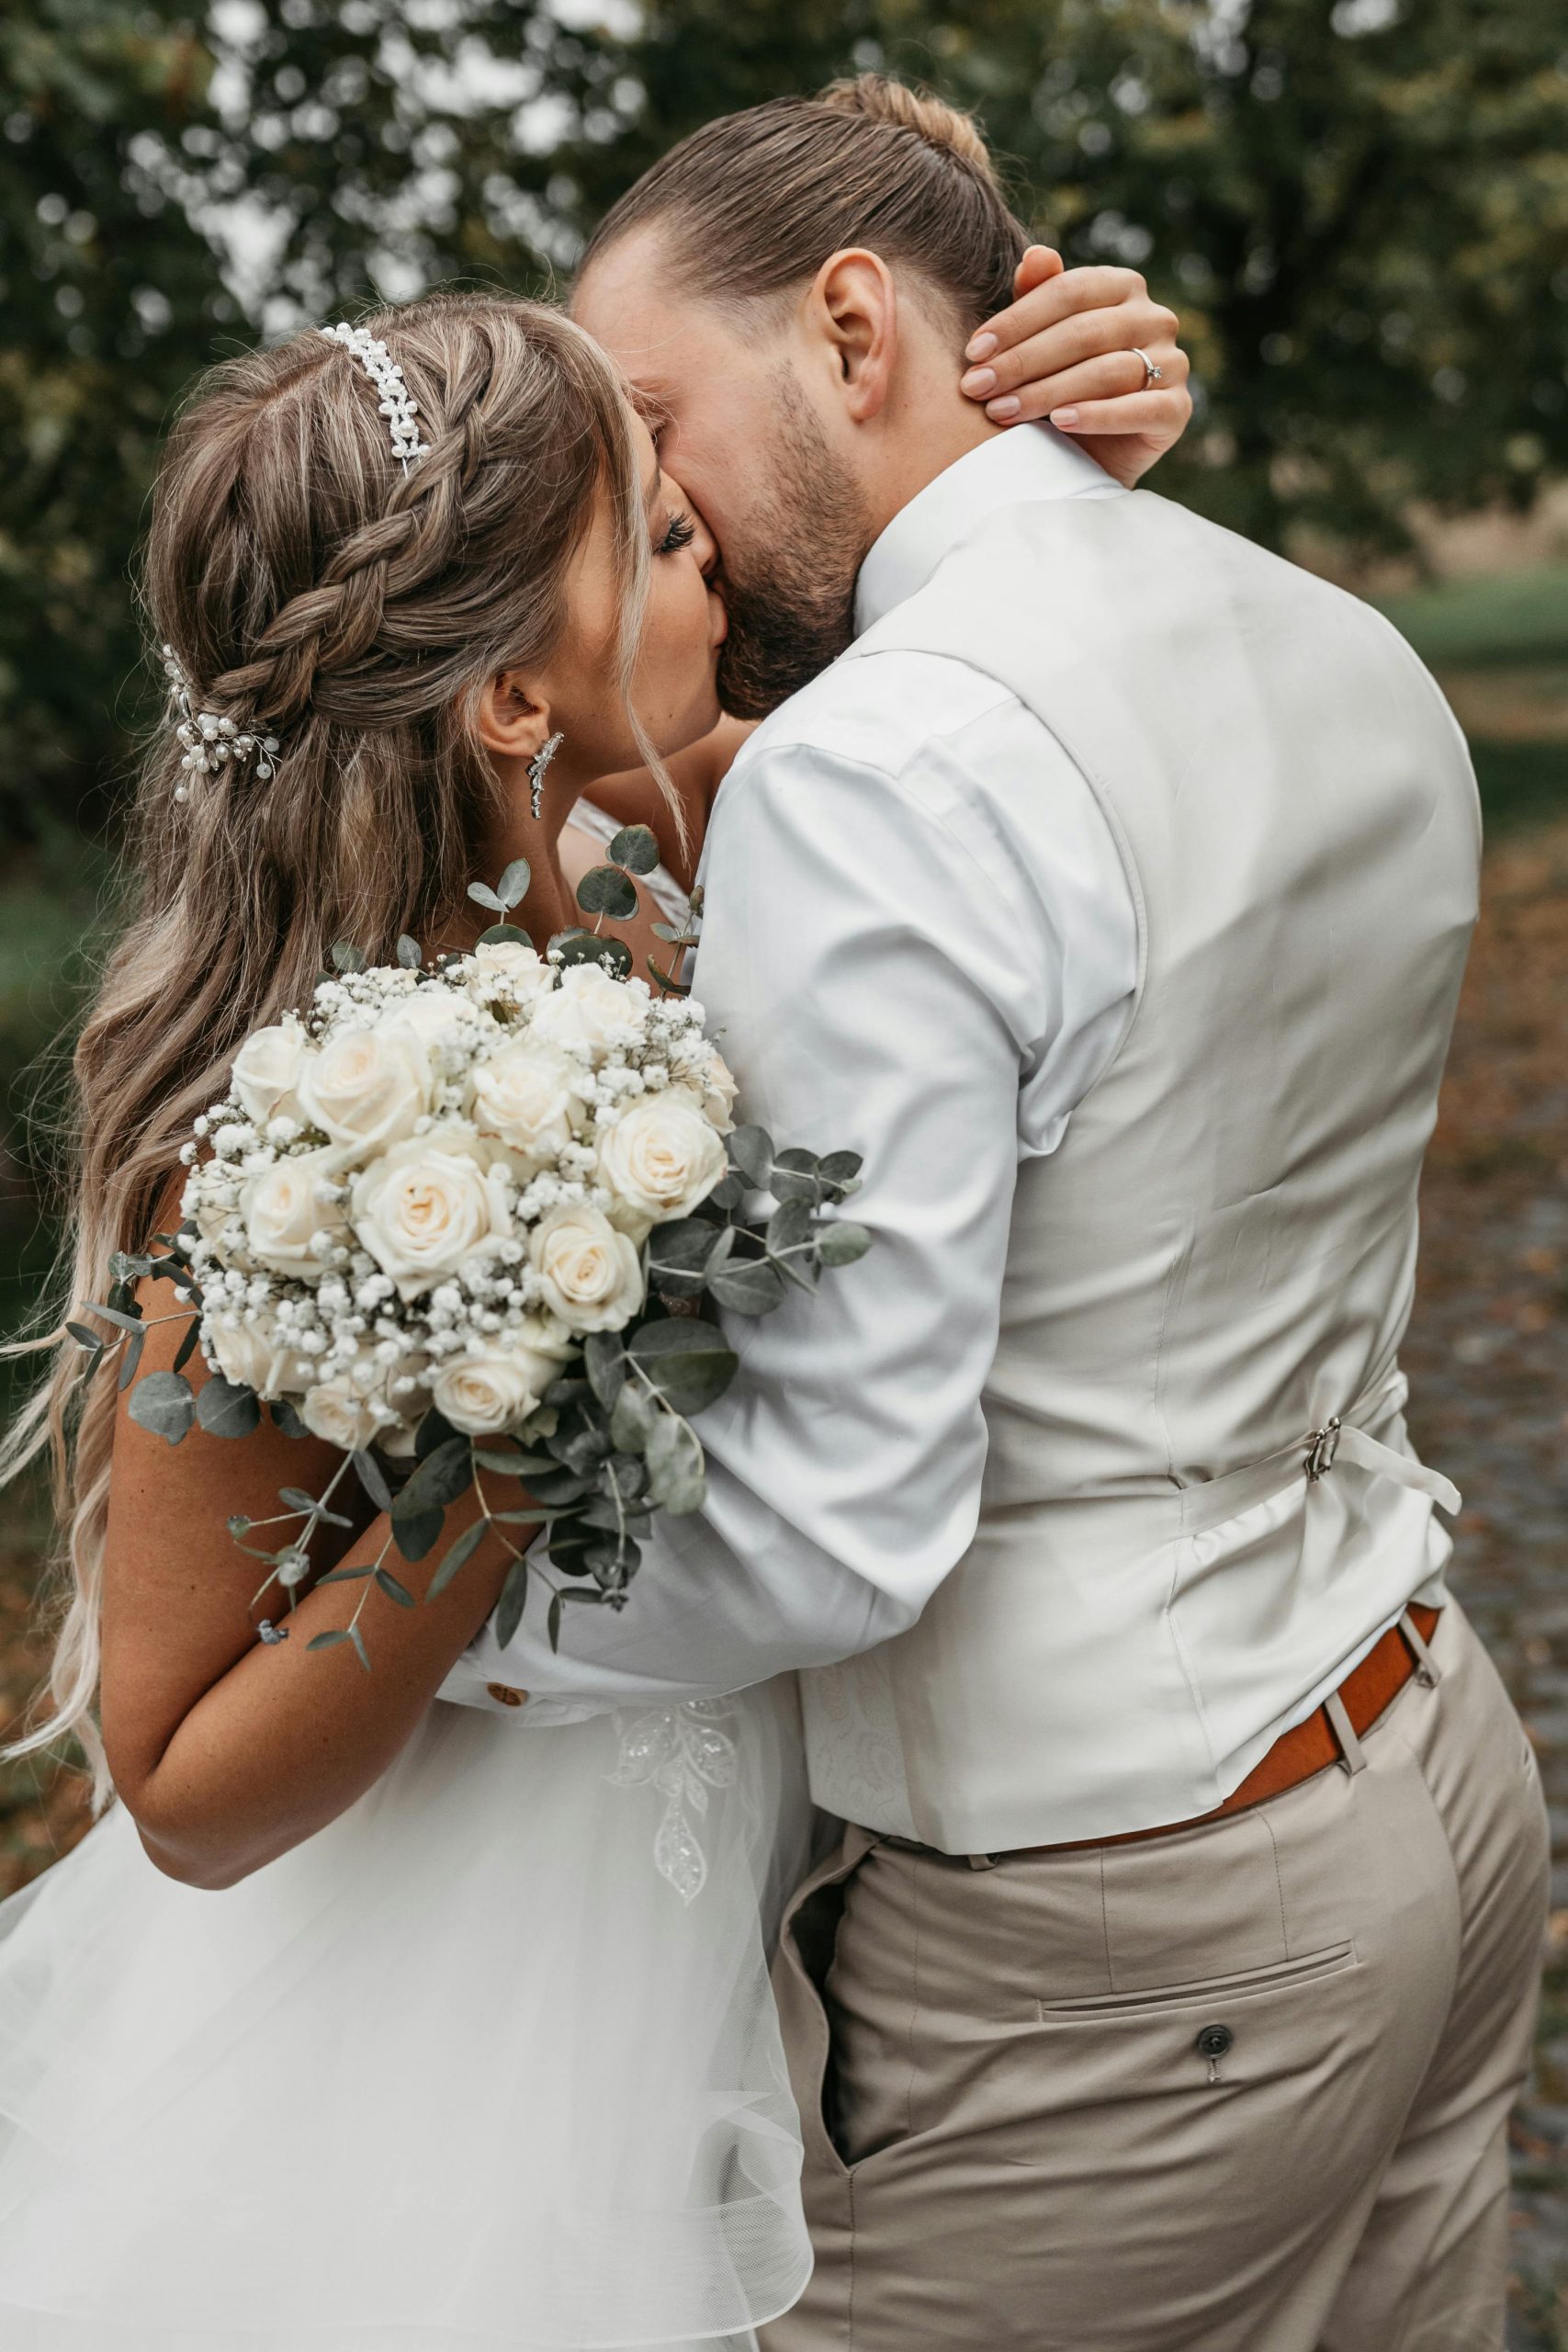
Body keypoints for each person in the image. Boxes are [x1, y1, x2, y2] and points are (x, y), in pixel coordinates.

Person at [453, 76, 1552, 2352]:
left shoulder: (888, 765)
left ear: (852, 330)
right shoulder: (1338, 644)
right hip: (1422, 1744)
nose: (644, 507)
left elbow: (843, 1524)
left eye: (653, 423)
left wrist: (426, 1644)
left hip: (1126, 1926)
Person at [0, 240, 1190, 2344]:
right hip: (431, 2050)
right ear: (515, 701)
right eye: (654, 535)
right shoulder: (293, 1154)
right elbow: (176, 1790)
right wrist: (519, 1431)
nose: (716, 555)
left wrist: (1080, 444)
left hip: (761, 1928)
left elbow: (978, 640)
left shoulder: (735, 825)